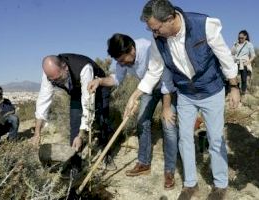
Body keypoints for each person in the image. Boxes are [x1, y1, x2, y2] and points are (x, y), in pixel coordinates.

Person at [124, 1, 240, 199]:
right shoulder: (158, 40)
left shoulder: (204, 24)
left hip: (211, 90)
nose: (154, 32)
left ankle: (220, 185)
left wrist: (234, 86)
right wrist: (135, 95)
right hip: (186, 94)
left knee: (215, 138)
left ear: (169, 19)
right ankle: (190, 184)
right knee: (184, 138)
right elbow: (154, 71)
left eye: (156, 28)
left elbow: (224, 56)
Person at [88, 33, 178, 189]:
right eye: (118, 61)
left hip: (167, 86)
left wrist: (165, 107)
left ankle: (169, 170)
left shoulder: (149, 48)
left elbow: (165, 78)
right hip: (147, 88)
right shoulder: (123, 60)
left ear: (131, 50)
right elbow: (117, 79)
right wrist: (100, 80)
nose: (122, 64)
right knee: (142, 122)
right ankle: (144, 164)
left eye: (122, 60)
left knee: (168, 125)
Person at [33, 53, 115, 169]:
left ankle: (107, 155)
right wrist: (37, 132)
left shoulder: (84, 68)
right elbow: (43, 102)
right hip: (76, 90)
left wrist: (82, 135)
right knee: (75, 124)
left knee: (102, 121)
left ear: (65, 67)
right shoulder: (50, 74)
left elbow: (88, 104)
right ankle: (75, 163)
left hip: (99, 87)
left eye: (59, 79)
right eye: (54, 81)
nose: (58, 83)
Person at [231, 30, 256, 95]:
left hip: (244, 63)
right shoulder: (235, 44)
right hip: (236, 63)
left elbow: (253, 55)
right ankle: (234, 92)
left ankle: (243, 93)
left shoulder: (249, 44)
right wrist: (235, 46)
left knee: (244, 79)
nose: (240, 39)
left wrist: (247, 62)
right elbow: (232, 53)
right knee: (234, 78)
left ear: (245, 37)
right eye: (239, 38)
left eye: (242, 38)